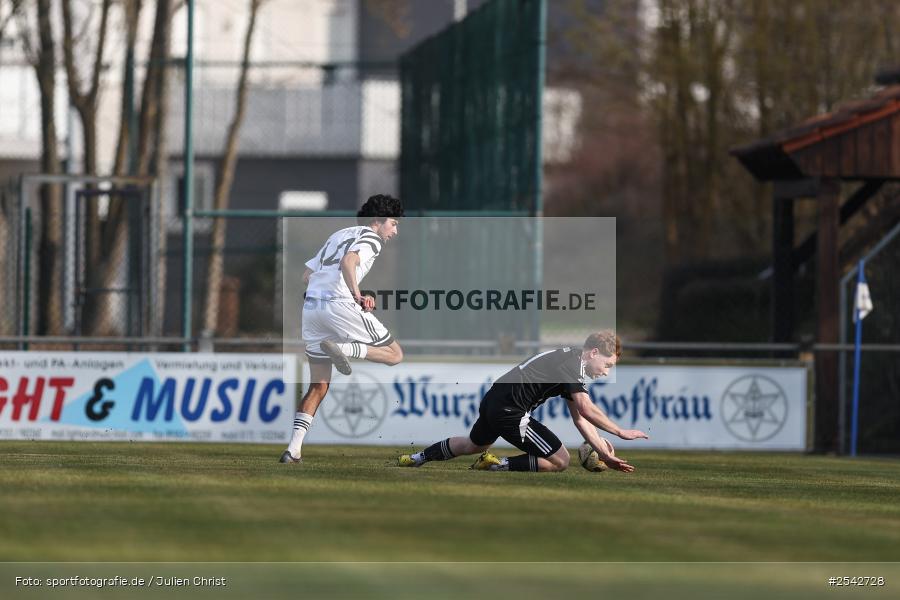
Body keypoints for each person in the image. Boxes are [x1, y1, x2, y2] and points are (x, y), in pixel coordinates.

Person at [398, 331, 648, 472]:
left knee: (472, 444)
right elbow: (586, 407)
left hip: (494, 399)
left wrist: (604, 452)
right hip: (510, 410)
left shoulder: (570, 362)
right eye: (607, 364)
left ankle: (417, 458)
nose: (606, 372)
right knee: (561, 461)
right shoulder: (573, 365)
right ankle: (496, 465)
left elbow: (580, 418)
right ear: (593, 353)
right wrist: (620, 431)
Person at [280, 194, 405, 463]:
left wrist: (343, 290)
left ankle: (293, 450)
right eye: (393, 223)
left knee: (319, 384)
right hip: (339, 305)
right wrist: (357, 294)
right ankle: (345, 349)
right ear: (377, 221)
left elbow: (306, 276)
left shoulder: (338, 234)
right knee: (395, 354)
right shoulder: (371, 239)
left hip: (312, 309)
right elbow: (349, 262)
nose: (395, 230)